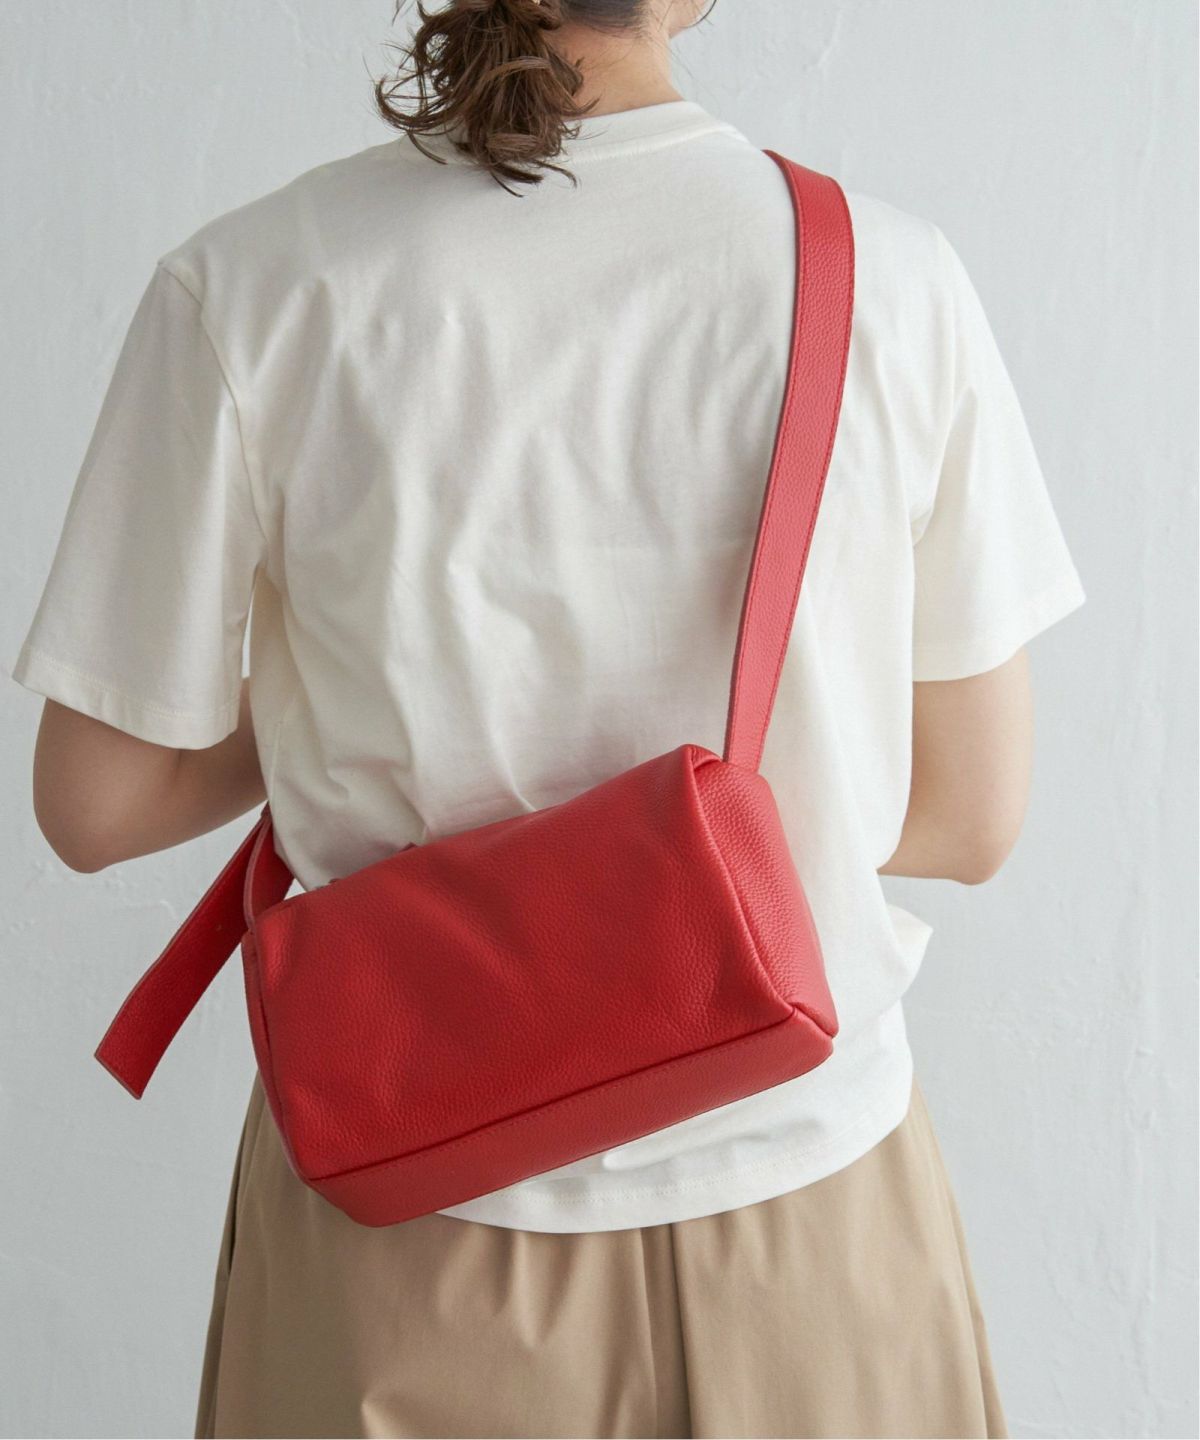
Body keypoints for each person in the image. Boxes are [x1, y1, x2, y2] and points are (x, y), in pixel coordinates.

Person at [7, 0, 1086, 1435]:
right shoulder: (888, 276)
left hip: (406, 1225)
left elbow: (96, 807)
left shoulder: (254, 286)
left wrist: (340, 670)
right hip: (816, 1220)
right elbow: (969, 817)